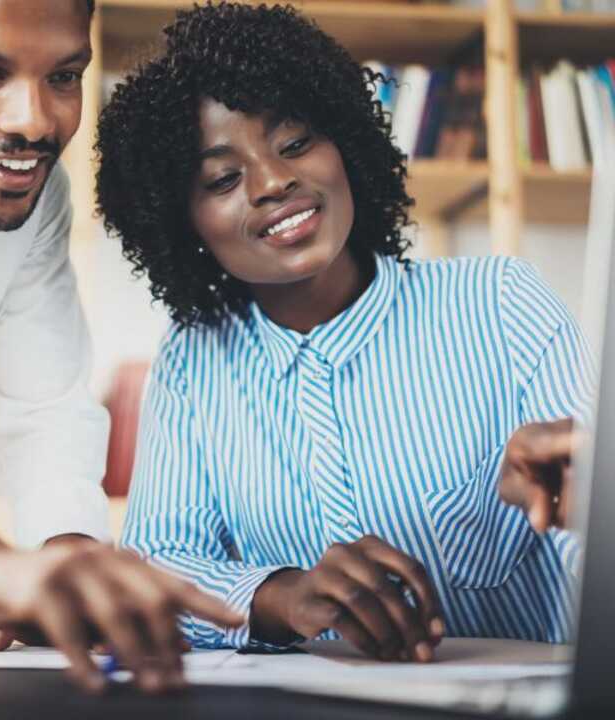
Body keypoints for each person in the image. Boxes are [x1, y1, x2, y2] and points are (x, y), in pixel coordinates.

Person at [96, 2, 594, 661]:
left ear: (346, 143)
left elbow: (591, 542)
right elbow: (158, 562)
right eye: (222, 178)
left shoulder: (500, 305)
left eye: (296, 142)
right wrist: (276, 596)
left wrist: (587, 497)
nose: (274, 182)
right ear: (181, 224)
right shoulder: (192, 364)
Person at [0, 0, 241, 693]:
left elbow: (44, 402)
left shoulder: (33, 194)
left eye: (64, 75)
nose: (35, 121)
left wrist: (73, 555)